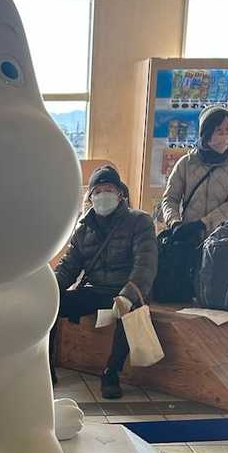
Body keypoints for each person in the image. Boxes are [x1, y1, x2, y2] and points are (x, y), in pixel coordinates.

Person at [53, 164, 156, 399]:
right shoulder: (83, 228)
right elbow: (69, 266)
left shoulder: (140, 221)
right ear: (90, 197)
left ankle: (112, 372)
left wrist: (127, 296)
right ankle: (47, 365)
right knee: (52, 304)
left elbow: (145, 266)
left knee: (129, 310)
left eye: (108, 189)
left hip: (125, 289)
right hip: (95, 289)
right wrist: (50, 290)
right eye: (97, 191)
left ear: (120, 193)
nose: (103, 195)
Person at [160, 105, 228, 245]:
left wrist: (203, 224)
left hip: (223, 240)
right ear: (206, 133)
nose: (225, 135)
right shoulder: (186, 163)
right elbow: (170, 199)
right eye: (219, 130)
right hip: (189, 237)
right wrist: (175, 223)